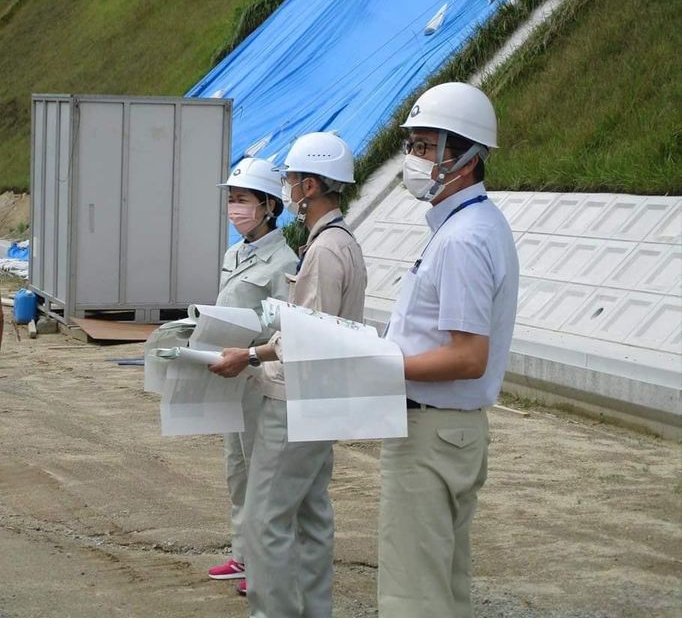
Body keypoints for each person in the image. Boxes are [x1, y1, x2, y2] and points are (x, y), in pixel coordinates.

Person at [210, 131, 367, 618]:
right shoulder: (343, 243)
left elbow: (307, 336)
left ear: (312, 185)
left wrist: (249, 356)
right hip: (322, 397)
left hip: (292, 400)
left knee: (264, 520)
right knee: (311, 515)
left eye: (294, 179)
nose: (289, 188)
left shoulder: (322, 252)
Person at [378, 82, 519, 618]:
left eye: (423, 145)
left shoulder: (462, 239)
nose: (412, 159)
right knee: (442, 584)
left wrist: (379, 366)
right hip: (448, 430)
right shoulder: (472, 226)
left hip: (431, 431)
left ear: (464, 155)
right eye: (411, 144)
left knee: (414, 593)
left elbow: (467, 356)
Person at [207, 157, 298, 593]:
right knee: (237, 468)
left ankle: (266, 563)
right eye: (230, 200)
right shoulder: (234, 253)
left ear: (268, 205)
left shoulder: (284, 260)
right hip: (231, 372)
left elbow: (284, 324)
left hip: (261, 374)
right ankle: (242, 555)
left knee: (264, 471)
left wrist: (250, 351)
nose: (234, 208)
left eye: (242, 200)